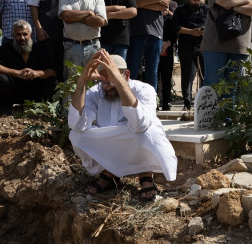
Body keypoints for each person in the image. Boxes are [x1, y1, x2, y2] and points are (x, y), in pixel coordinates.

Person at [69, 50, 177, 202]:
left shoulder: (144, 89)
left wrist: (118, 82)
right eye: (103, 80)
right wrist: (82, 82)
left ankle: (145, 174)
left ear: (126, 75)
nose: (106, 86)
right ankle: (110, 172)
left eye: (111, 79)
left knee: (146, 132)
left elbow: (139, 124)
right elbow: (76, 124)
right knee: (76, 135)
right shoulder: (96, 92)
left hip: (136, 139)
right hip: (112, 143)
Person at [0, 20, 56, 115]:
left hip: (35, 92)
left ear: (30, 35)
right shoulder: (6, 48)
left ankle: (42, 108)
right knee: (0, 78)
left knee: (52, 82)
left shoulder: (39, 49)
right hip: (14, 91)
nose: (22, 38)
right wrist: (17, 73)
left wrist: (36, 73)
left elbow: (52, 71)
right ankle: (5, 108)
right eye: (18, 34)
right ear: (13, 36)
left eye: (25, 34)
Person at [125, 0, 169, 91]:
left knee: (152, 73)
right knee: (132, 71)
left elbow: (164, 5)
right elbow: (132, 2)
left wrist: (142, 2)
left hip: (155, 33)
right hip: (136, 32)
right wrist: (157, 0)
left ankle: (151, 107)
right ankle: (129, 105)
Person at [58, 0, 107, 77]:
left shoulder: (98, 0)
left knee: (92, 83)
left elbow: (100, 21)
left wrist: (75, 16)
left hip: (92, 48)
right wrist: (89, 13)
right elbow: (66, 16)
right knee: (70, 85)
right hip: (71, 47)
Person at [172, 0, 208, 109]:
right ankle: (186, 103)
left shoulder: (205, 9)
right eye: (194, 0)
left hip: (202, 47)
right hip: (185, 46)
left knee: (204, 75)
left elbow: (212, 26)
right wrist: (190, 32)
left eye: (198, 0)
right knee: (186, 75)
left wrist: (202, 31)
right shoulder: (180, 10)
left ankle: (203, 102)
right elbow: (175, 27)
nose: (196, 2)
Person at [157, 0, 177, 111]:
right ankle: (154, 103)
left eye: (166, 8)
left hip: (167, 51)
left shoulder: (170, 20)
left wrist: (167, 44)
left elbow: (175, 36)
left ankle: (166, 103)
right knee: (154, 77)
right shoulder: (154, 19)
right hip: (155, 51)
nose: (164, 11)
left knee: (166, 78)